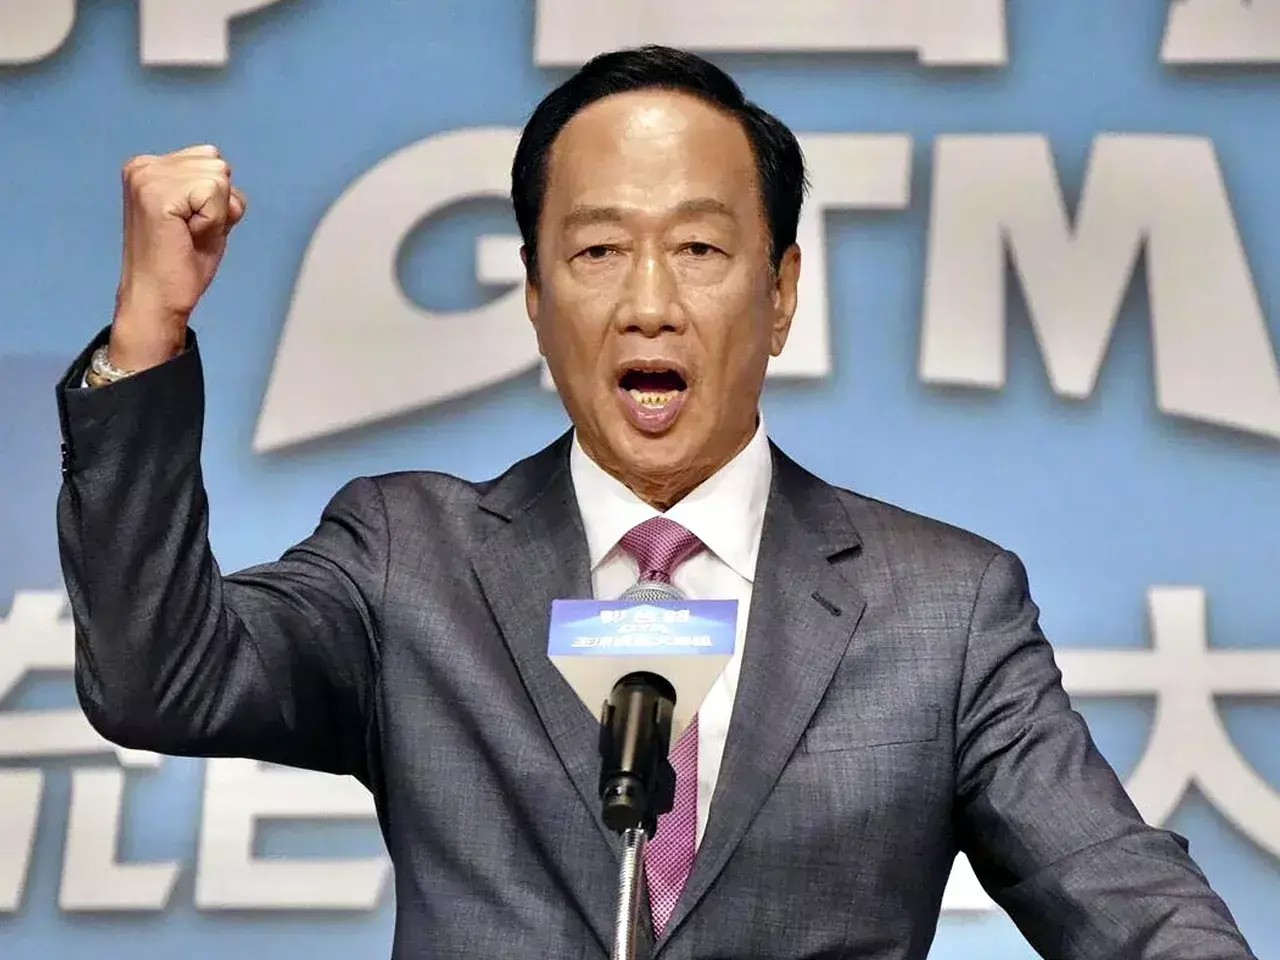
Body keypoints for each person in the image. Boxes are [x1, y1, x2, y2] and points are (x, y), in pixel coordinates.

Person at [55, 45, 1256, 960]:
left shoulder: (941, 610)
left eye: (697, 250)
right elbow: (161, 677)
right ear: (534, 298)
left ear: (779, 294)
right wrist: (149, 331)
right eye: (594, 253)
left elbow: (1126, 902)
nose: (646, 304)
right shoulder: (406, 561)